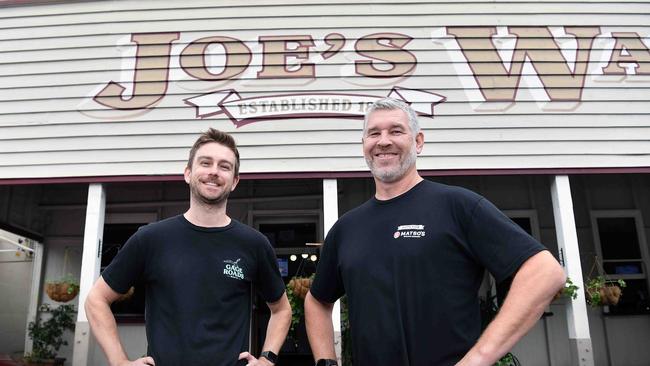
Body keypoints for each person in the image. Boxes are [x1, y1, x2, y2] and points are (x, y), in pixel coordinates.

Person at [305, 98, 566, 366]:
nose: (383, 141)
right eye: (374, 133)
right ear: (364, 147)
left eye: (395, 131)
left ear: (418, 141)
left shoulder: (457, 206)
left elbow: (545, 272)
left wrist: (479, 357)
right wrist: (327, 362)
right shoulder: (347, 228)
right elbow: (317, 301)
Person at [85, 129, 291, 366]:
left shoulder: (253, 244)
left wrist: (267, 359)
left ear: (234, 182)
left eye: (225, 166)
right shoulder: (151, 239)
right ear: (188, 173)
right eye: (206, 163)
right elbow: (96, 300)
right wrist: (119, 360)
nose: (214, 171)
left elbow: (281, 310)